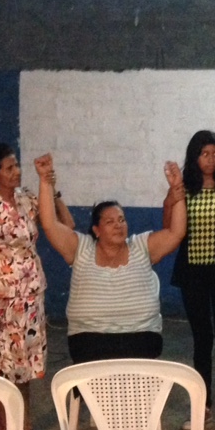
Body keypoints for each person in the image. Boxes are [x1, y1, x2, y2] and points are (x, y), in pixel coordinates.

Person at [34, 153, 186, 363]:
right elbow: (50, 224)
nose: (118, 225)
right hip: (88, 340)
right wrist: (44, 181)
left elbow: (176, 233)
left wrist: (177, 192)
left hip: (141, 337)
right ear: (96, 230)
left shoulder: (142, 246)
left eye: (122, 220)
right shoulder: (81, 248)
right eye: (110, 222)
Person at [0, 142, 74, 430]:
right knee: (3, 366)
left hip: (31, 294)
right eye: (9, 168)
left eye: (17, 165)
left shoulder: (28, 198)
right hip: (2, 299)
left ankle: (25, 426)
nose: (16, 172)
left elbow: (66, 225)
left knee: (25, 365)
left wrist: (52, 188)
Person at [163, 130, 215, 430]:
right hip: (192, 274)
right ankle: (203, 406)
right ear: (194, 156)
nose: (211, 160)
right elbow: (168, 227)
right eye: (204, 154)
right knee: (202, 339)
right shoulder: (183, 189)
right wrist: (171, 194)